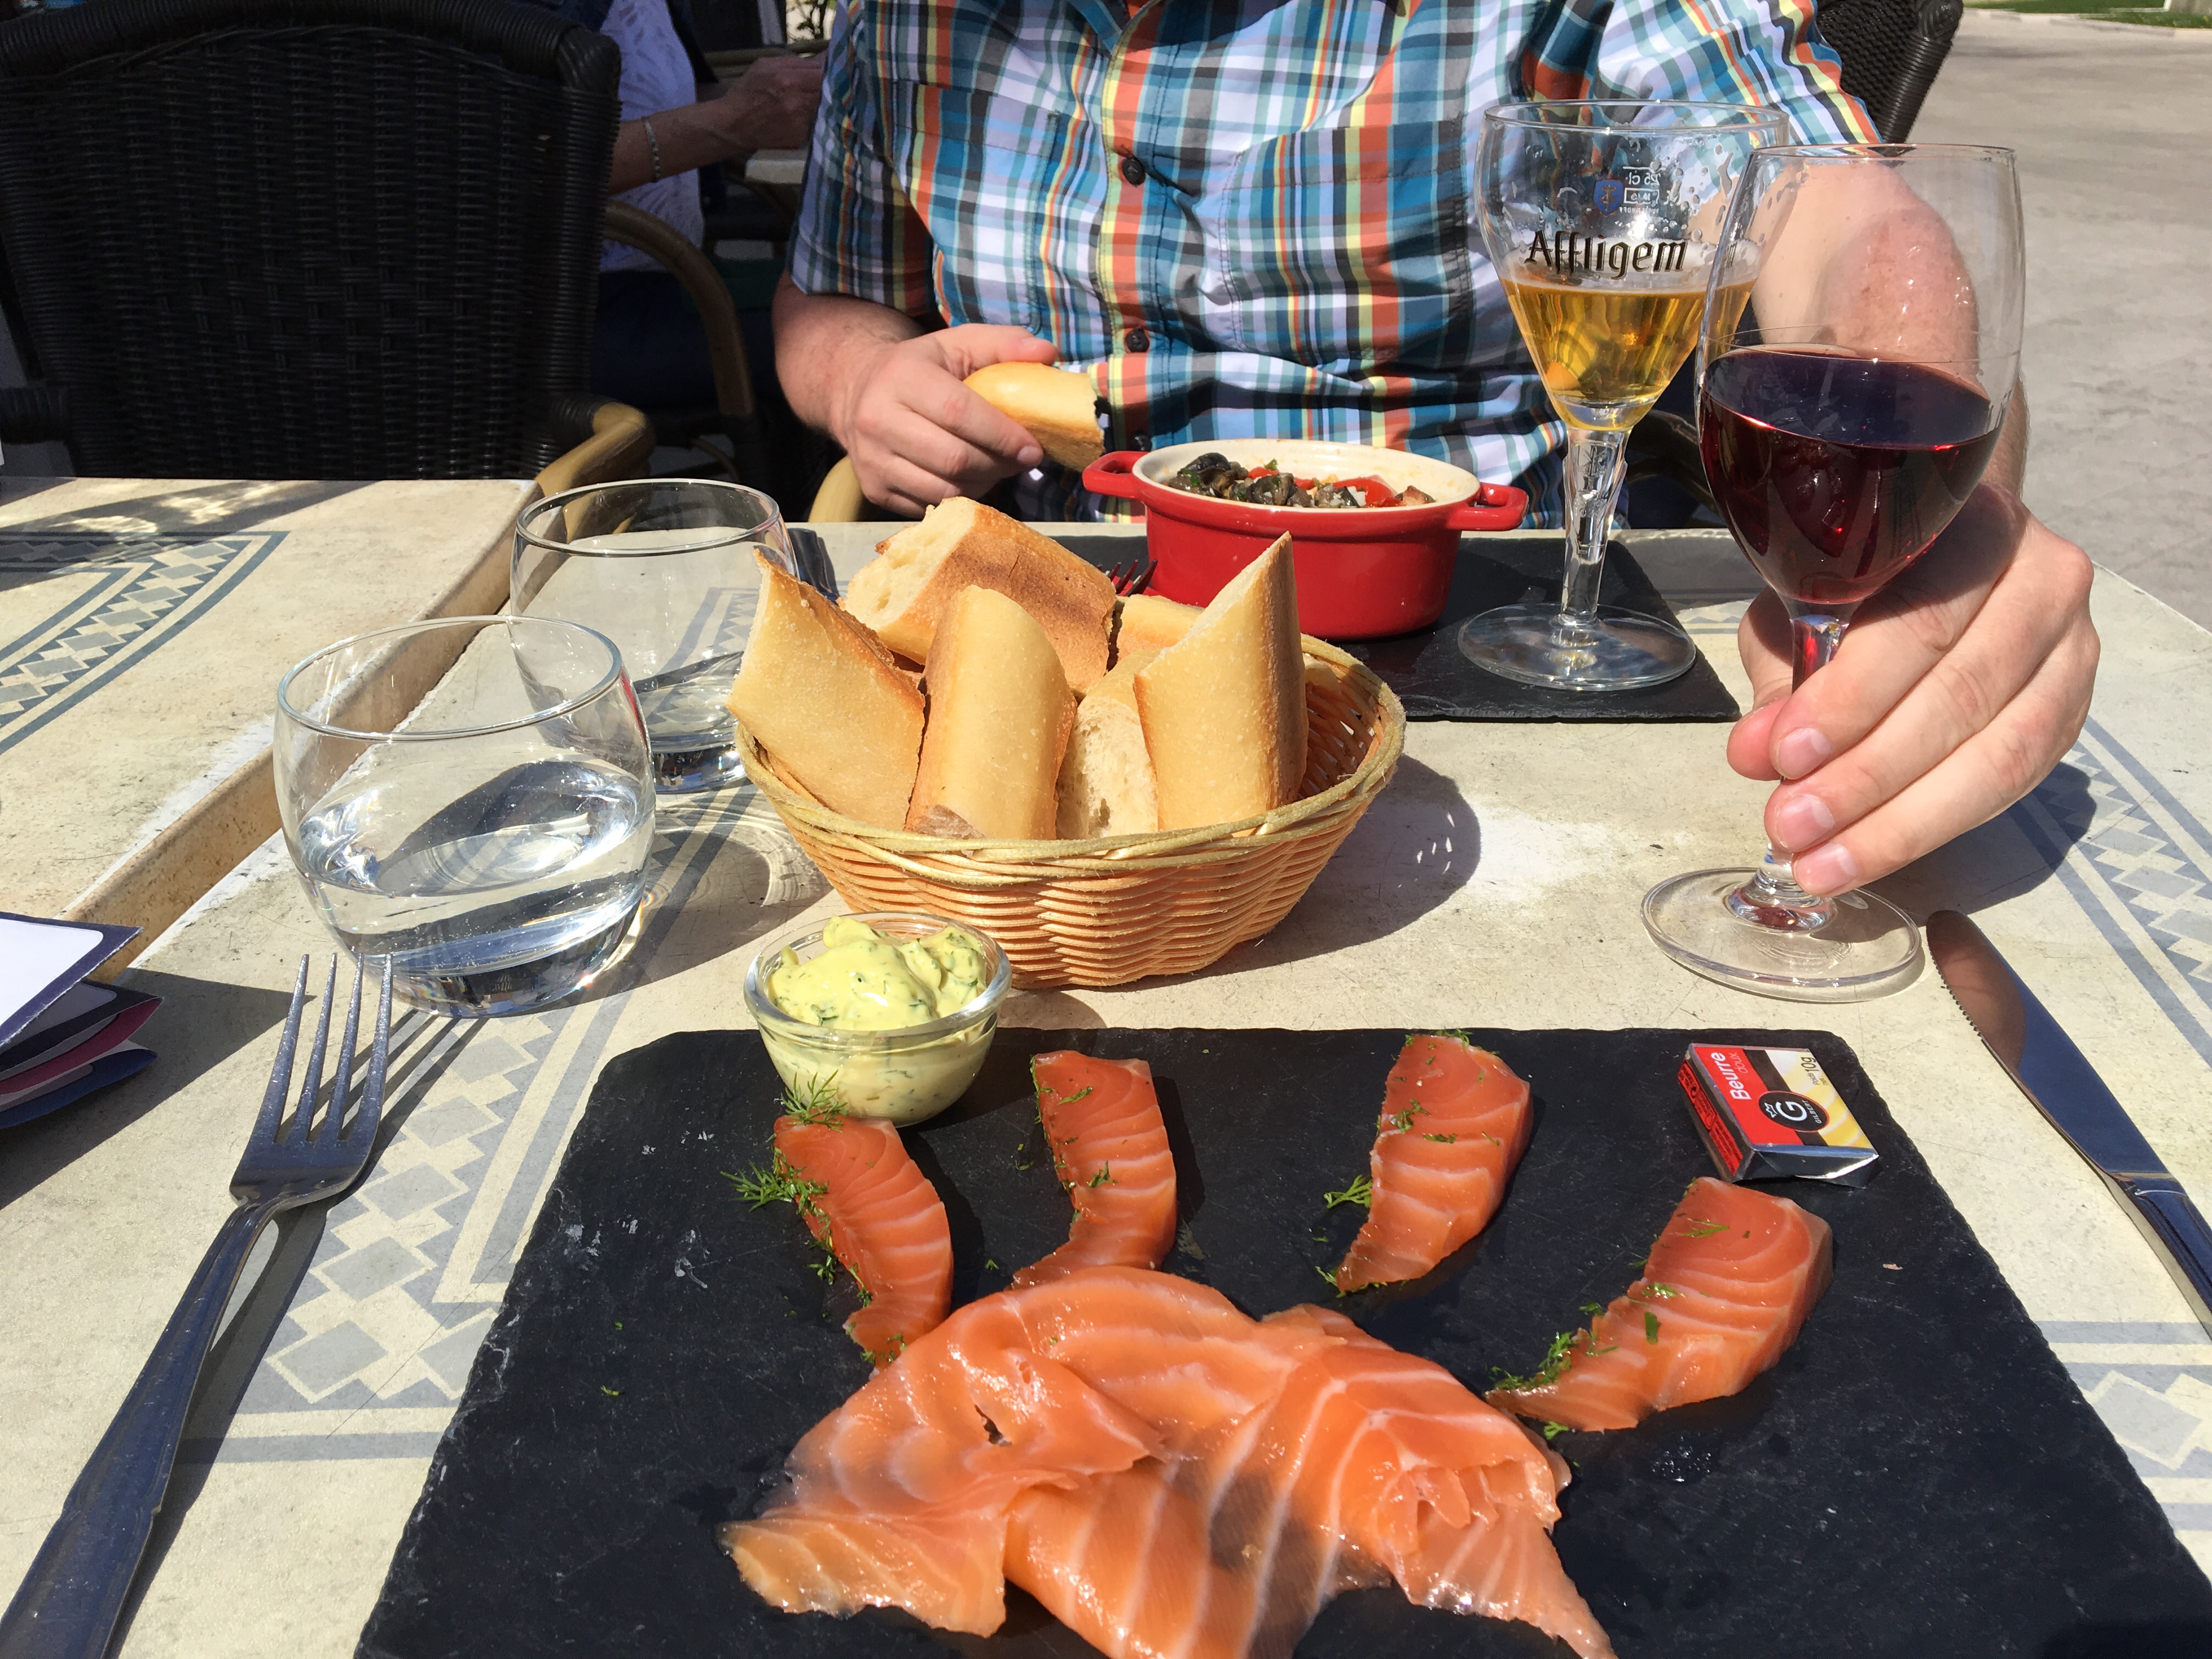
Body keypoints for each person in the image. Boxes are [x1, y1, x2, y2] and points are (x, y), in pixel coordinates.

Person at [771, 0, 2097, 904]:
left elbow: (1836, 205)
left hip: (1484, 633)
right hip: (1050, 634)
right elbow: (827, 298)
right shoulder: (905, 14)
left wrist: (1900, 465)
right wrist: (860, 379)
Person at [524, 0, 823, 410]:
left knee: (861, 296)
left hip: (672, 275)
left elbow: (670, 101)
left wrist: (796, 94)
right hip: (570, 322)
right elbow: (519, 161)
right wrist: (734, 123)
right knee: (855, 327)